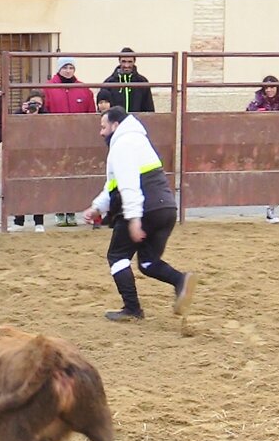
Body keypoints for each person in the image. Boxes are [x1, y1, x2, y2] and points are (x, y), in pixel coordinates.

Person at [80, 107, 196, 322]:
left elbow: (129, 185)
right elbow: (113, 186)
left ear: (115, 125)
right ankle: (181, 280)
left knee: (117, 257)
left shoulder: (122, 146)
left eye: (103, 127)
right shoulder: (138, 142)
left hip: (143, 210)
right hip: (165, 209)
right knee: (148, 262)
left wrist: (134, 219)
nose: (101, 132)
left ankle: (132, 309)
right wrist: (97, 207)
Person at [44, 57, 96, 227]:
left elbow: (90, 115)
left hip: (77, 141)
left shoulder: (84, 90)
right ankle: (60, 211)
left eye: (71, 67)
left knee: (75, 175)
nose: (68, 70)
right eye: (65, 67)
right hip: (56, 140)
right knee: (59, 175)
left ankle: (72, 211)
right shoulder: (48, 88)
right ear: (59, 69)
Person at [245, 75, 279, 224]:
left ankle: (271, 209)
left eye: (272, 87)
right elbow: (247, 117)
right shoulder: (257, 103)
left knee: (278, 178)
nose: (269, 90)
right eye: (266, 87)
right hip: (262, 145)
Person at [9, 91, 48, 233]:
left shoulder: (46, 115)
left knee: (38, 188)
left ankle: (39, 222)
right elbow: (11, 128)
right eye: (32, 103)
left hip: (39, 155)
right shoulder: (20, 114)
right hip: (21, 155)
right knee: (20, 187)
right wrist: (22, 112)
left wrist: (37, 117)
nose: (35, 106)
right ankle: (19, 221)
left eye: (38, 103)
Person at [102, 47, 155, 114]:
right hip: (116, 123)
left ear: (134, 61)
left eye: (130, 62)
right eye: (123, 61)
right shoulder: (109, 83)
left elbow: (149, 108)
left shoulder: (142, 82)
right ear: (119, 61)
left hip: (136, 122)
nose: (126, 65)